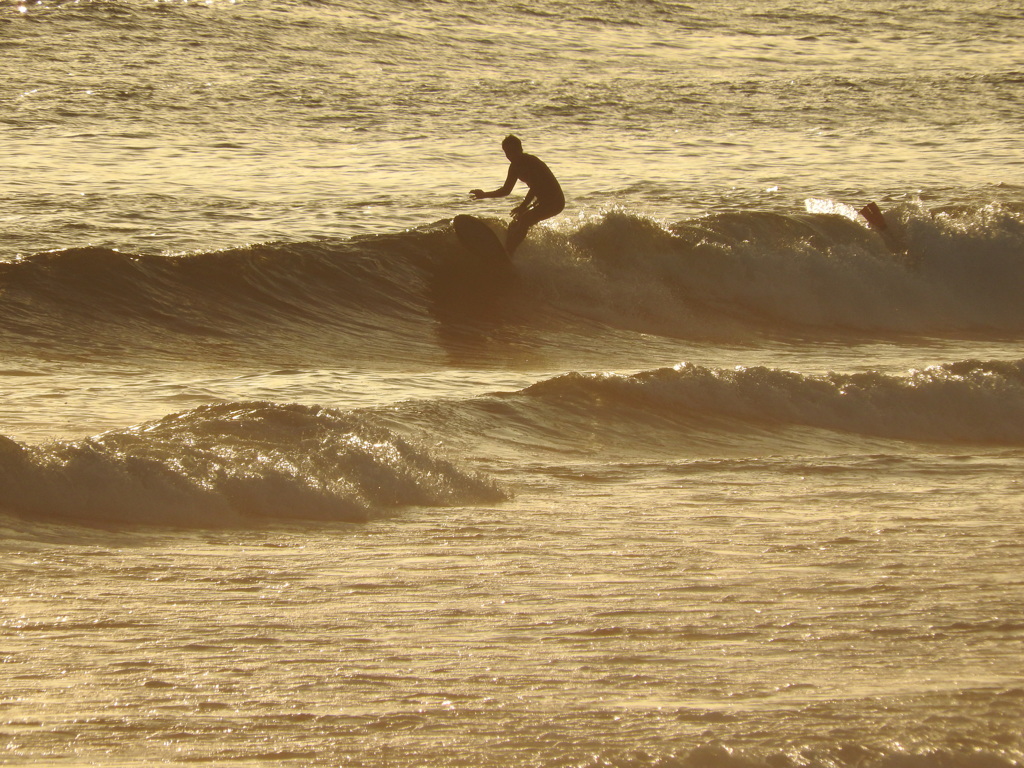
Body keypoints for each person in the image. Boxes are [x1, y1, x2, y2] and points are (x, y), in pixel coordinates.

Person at [470, 135, 565, 256]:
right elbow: (506, 190)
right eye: (507, 152)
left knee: (525, 220)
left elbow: (535, 187)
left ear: (520, 149)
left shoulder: (532, 162)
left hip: (555, 201)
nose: (510, 155)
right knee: (515, 223)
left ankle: (510, 252)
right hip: (542, 201)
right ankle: (509, 252)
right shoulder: (514, 167)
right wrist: (484, 195)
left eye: (513, 151)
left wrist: (523, 206)